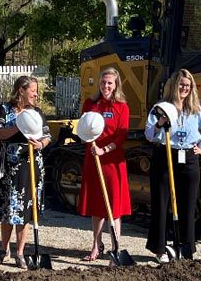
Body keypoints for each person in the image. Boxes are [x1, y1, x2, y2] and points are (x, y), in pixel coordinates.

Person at [144, 69, 201, 262]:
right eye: (181, 84)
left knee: (188, 204)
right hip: (165, 155)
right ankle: (160, 249)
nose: (185, 88)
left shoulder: (196, 109)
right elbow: (150, 135)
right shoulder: (161, 107)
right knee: (161, 203)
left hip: (188, 157)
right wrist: (160, 123)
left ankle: (186, 248)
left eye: (188, 85)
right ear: (174, 86)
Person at [0, 75, 51, 269]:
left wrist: (41, 144)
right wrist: (18, 126)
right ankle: (3, 250)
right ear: (21, 90)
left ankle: (20, 253)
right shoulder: (5, 110)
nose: (36, 94)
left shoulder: (37, 112)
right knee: (8, 209)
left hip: (30, 164)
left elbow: (47, 135)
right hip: (8, 166)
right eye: (33, 90)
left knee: (25, 211)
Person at [76, 68, 131, 263]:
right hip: (93, 158)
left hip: (112, 161)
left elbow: (121, 135)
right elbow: (83, 129)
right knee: (96, 205)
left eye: (110, 83)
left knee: (114, 206)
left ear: (116, 85)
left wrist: (105, 149)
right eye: (103, 82)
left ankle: (116, 248)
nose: (106, 86)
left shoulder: (122, 107)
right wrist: (90, 145)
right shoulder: (90, 104)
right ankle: (96, 245)